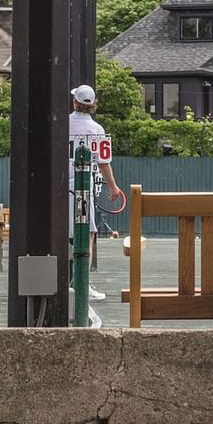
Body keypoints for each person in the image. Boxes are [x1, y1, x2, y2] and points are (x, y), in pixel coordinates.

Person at [69, 84, 124, 310]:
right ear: (92, 106)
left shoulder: (62, 124)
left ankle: (66, 283)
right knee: (87, 233)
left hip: (61, 188)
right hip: (83, 191)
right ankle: (81, 284)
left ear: (75, 102)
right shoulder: (97, 130)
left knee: (64, 234)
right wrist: (114, 188)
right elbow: (103, 163)